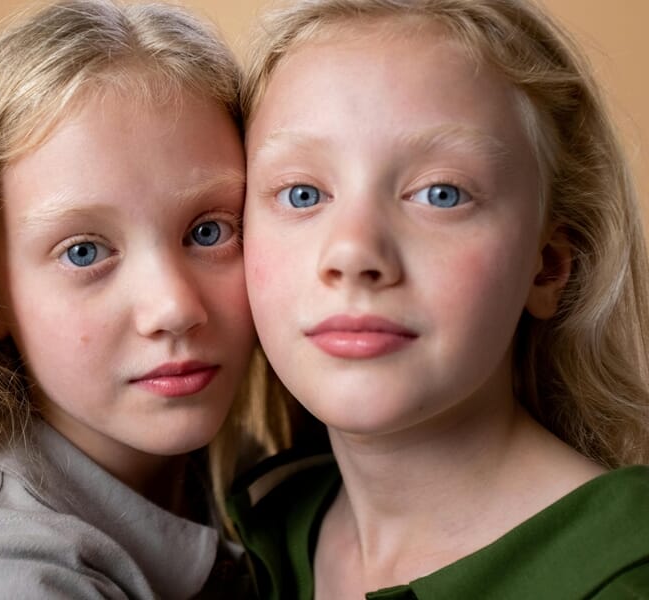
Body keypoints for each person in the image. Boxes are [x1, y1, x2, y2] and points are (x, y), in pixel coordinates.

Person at [0, 1, 291, 598]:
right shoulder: (3, 573)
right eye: (84, 252)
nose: (173, 308)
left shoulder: (254, 478)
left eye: (209, 231)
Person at [228, 0, 649, 598]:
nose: (353, 251)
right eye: (301, 194)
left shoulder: (625, 572)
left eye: (442, 194)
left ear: (549, 268)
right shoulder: (258, 527)